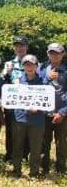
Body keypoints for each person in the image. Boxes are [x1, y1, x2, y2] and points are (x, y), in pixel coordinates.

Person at [12, 54, 45, 177]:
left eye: (31, 64)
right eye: (26, 64)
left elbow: (48, 101)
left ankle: (34, 172)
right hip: (20, 118)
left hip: (37, 120)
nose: (29, 67)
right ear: (23, 67)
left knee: (36, 148)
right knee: (17, 145)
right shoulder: (18, 82)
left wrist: (39, 108)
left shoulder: (44, 82)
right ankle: (16, 169)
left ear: (37, 66)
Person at [40, 43, 67, 174]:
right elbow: (37, 87)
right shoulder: (42, 68)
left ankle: (61, 169)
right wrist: (47, 77)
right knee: (44, 142)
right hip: (45, 113)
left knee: (62, 143)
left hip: (62, 114)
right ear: (47, 53)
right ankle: (44, 168)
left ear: (63, 54)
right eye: (52, 53)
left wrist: (62, 113)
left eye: (57, 53)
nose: (54, 55)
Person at [3, 36, 30, 162]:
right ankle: (10, 154)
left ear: (26, 47)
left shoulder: (33, 63)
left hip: (28, 102)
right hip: (12, 103)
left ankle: (25, 154)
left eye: (22, 45)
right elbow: (3, 82)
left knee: (26, 128)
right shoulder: (8, 64)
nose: (19, 48)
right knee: (10, 128)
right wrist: (6, 73)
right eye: (17, 46)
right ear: (14, 48)